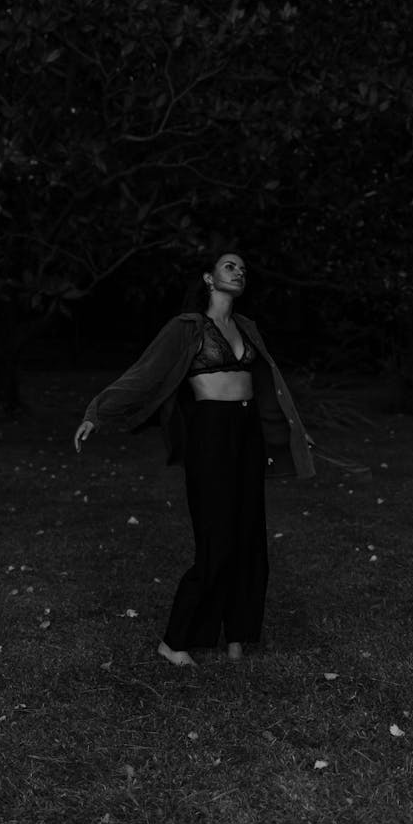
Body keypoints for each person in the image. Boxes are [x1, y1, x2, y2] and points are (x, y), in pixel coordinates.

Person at [74, 251, 315, 667]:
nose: (238, 271)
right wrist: (99, 412)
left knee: (249, 535)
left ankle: (238, 633)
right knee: (217, 536)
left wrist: (291, 428)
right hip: (212, 432)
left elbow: (268, 385)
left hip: (248, 433)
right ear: (208, 277)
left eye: (243, 267)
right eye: (229, 266)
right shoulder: (187, 328)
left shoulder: (246, 327)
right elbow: (146, 372)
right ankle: (175, 639)